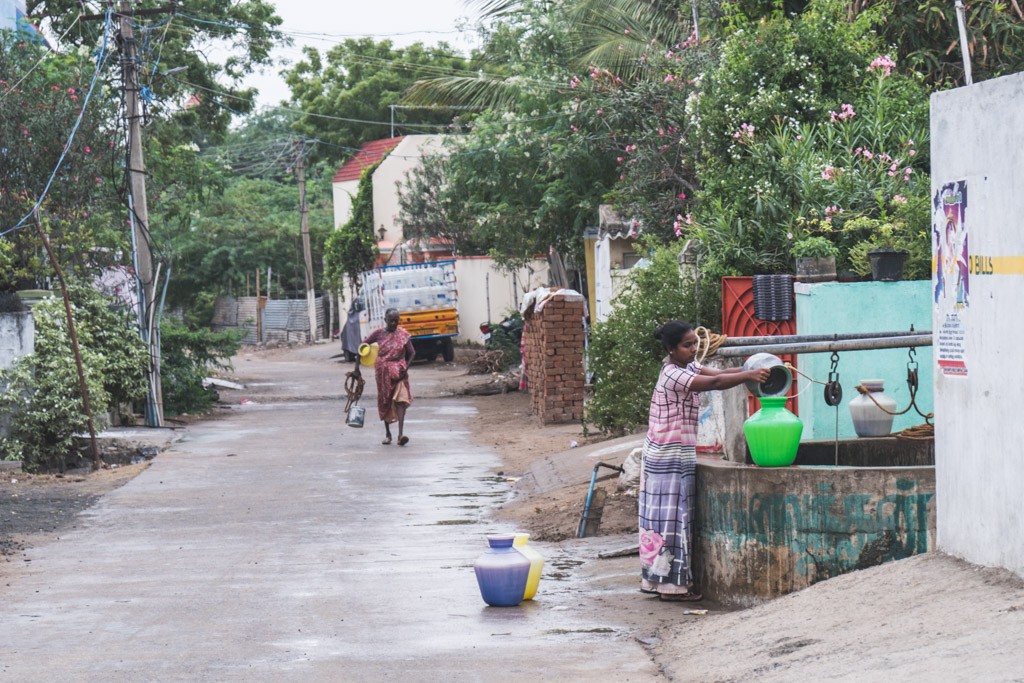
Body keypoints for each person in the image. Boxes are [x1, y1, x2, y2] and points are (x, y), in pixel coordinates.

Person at [639, 320, 770, 601]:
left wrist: (754, 369)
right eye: (687, 345)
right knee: (671, 519)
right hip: (666, 453)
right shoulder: (672, 374)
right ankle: (671, 588)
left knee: (670, 517)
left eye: (694, 343)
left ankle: (660, 581)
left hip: (676, 451)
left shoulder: (688, 366)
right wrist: (750, 375)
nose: (694, 348)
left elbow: (723, 373)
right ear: (671, 349)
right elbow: (716, 382)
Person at [354, 308, 415, 446]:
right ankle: (388, 434)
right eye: (391, 320)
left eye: (396, 320)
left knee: (401, 400)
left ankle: (400, 434)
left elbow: (412, 353)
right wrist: (356, 368)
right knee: (385, 400)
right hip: (383, 374)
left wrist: (406, 368)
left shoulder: (403, 335)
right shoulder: (378, 334)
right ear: (385, 320)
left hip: (399, 374)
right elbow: (361, 347)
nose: (394, 323)